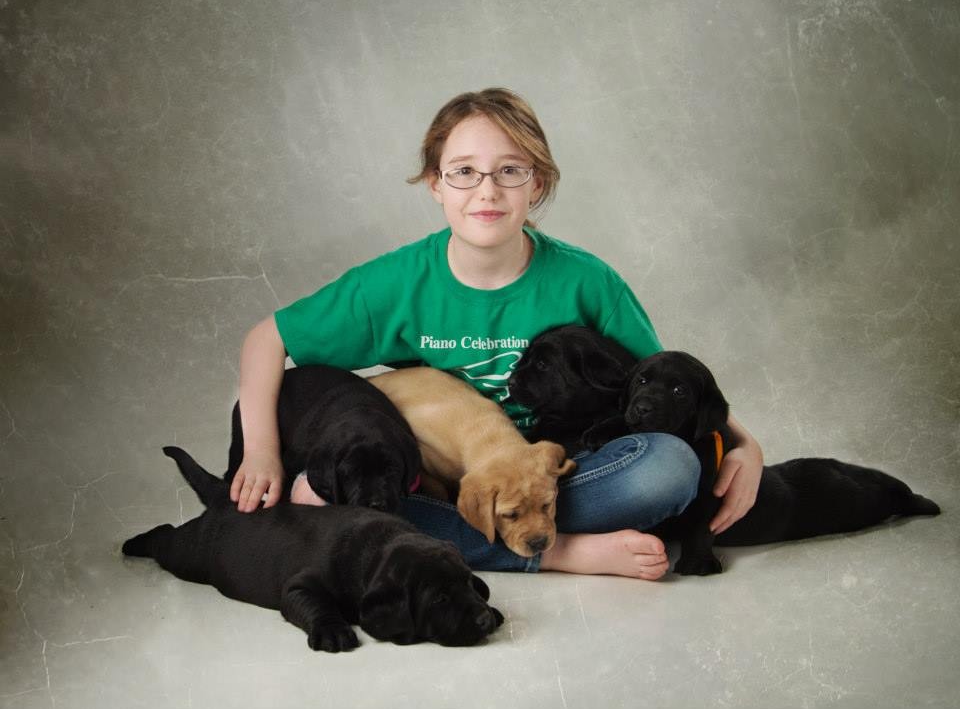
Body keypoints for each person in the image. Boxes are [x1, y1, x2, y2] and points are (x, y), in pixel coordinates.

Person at [230, 88, 763, 581]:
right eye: (464, 171)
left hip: (549, 480)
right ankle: (559, 552)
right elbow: (266, 340)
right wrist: (261, 452)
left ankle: (510, 532)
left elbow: (665, 376)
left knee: (669, 469)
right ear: (436, 183)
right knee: (331, 490)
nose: (487, 190)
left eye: (509, 170)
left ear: (538, 183)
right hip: (447, 480)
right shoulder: (395, 284)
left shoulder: (586, 280)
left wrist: (744, 443)